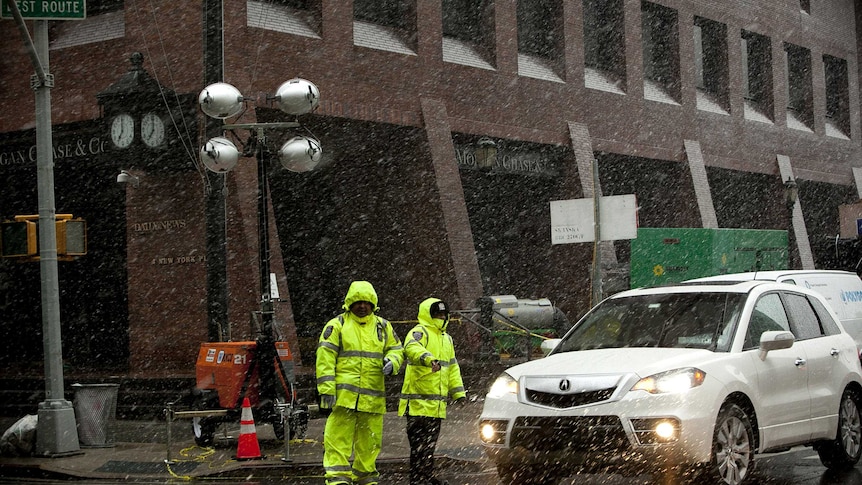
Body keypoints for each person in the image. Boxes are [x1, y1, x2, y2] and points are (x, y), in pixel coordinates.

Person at [316, 280, 404, 485]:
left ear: (373, 303)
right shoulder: (337, 325)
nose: (362, 306)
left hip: (372, 398)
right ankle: (338, 479)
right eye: (358, 302)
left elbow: (396, 349)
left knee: (370, 443)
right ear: (349, 304)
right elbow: (325, 359)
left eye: (366, 302)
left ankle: (365, 478)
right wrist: (326, 390)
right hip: (344, 399)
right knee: (338, 440)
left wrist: (393, 361)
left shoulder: (383, 326)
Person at [398, 298, 467, 485]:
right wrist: (428, 359)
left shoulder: (447, 339)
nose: (441, 317)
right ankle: (420, 479)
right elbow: (411, 348)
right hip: (417, 406)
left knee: (427, 448)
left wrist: (459, 392)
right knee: (420, 448)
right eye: (437, 314)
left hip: (436, 407)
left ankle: (424, 478)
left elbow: (452, 368)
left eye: (443, 314)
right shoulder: (420, 332)